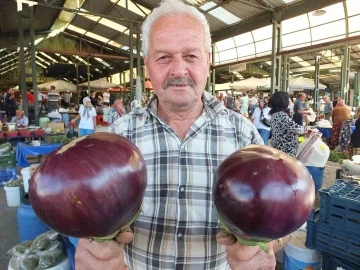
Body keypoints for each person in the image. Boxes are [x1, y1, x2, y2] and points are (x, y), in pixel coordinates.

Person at [75, 0, 285, 269]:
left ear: (207, 61)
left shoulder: (244, 136)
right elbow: (86, 209)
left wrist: (266, 246)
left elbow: (284, 218)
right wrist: (92, 247)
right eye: (164, 57)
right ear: (147, 65)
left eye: (191, 56)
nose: (178, 70)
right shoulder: (118, 137)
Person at [269, 91, 307, 157]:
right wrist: (307, 129)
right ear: (283, 101)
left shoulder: (274, 114)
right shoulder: (281, 115)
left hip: (279, 148)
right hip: (286, 151)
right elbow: (296, 128)